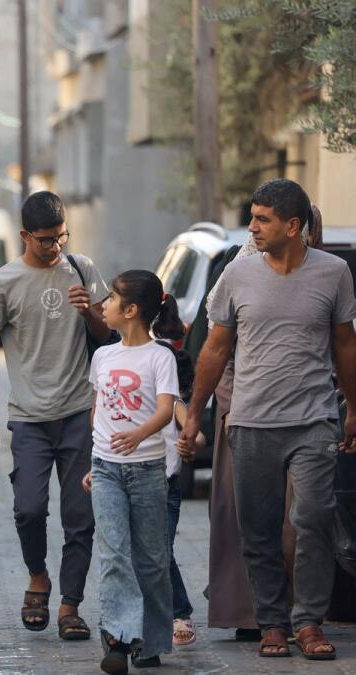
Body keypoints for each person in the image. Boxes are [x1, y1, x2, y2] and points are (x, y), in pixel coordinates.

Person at [182, 179, 356, 660]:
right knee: (256, 528)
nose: (253, 228)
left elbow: (345, 344)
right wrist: (194, 414)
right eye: (253, 217)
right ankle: (272, 623)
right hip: (252, 421)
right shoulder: (238, 275)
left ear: (293, 226)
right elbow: (215, 349)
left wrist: (354, 410)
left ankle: (309, 622)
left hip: (313, 419)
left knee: (314, 517)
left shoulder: (334, 273)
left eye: (263, 220)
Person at [0, 191, 108, 640]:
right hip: (28, 417)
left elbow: (109, 335)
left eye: (61, 238)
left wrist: (88, 308)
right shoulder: (2, 282)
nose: (54, 248)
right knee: (29, 509)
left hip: (78, 413)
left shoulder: (82, 269)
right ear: (25, 236)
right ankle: (38, 575)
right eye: (45, 240)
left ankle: (70, 604)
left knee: (80, 516)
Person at [80, 270, 183, 672]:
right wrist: (94, 463)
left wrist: (140, 434)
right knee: (114, 554)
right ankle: (119, 640)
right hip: (106, 470)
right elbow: (97, 413)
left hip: (147, 471)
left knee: (153, 559)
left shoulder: (161, 356)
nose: (103, 305)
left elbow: (164, 410)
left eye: (110, 298)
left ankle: (151, 641)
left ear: (132, 309)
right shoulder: (103, 355)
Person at [160, 345, 204, 647]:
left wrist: (191, 442)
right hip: (126, 481)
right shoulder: (123, 397)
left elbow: (195, 433)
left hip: (165, 487)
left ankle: (179, 611)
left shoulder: (173, 402)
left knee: (160, 549)